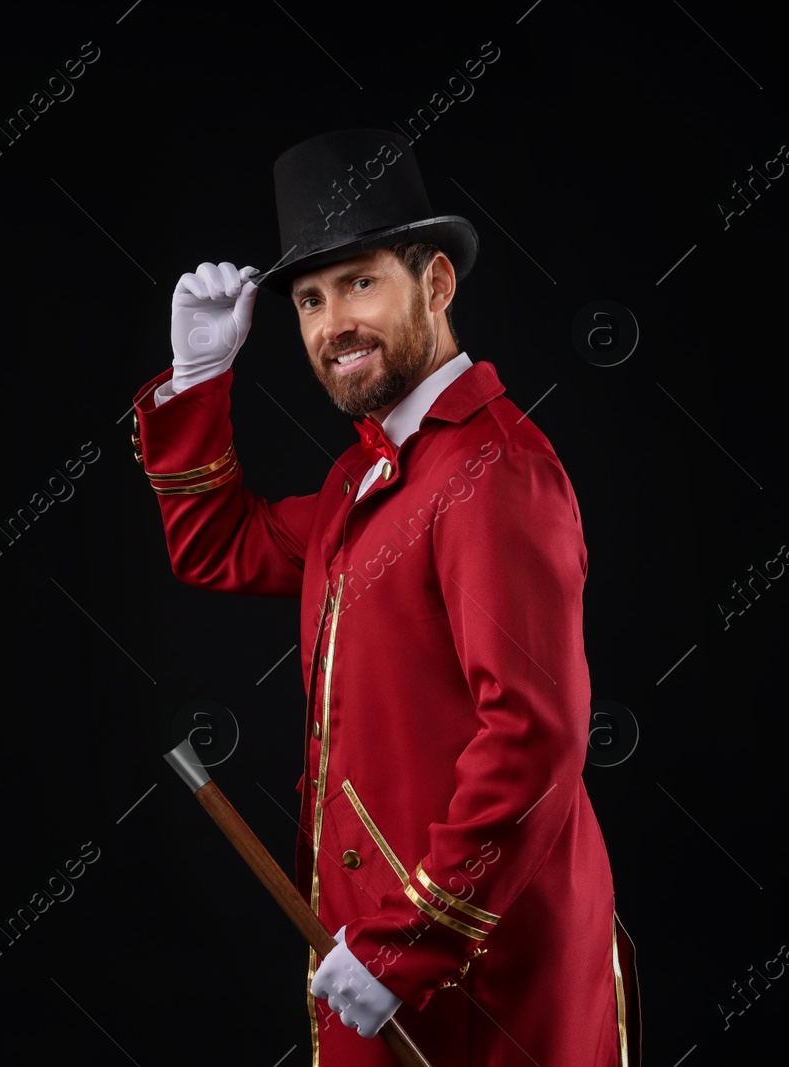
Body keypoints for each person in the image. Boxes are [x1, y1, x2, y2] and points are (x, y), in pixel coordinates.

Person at [131, 129, 640, 1066]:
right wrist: (200, 381)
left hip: (481, 970)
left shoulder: (493, 470)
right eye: (311, 301)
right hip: (380, 953)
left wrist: (415, 937)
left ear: (437, 283)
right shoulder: (365, 479)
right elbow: (220, 547)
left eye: (360, 283)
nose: (333, 325)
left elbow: (536, 735)